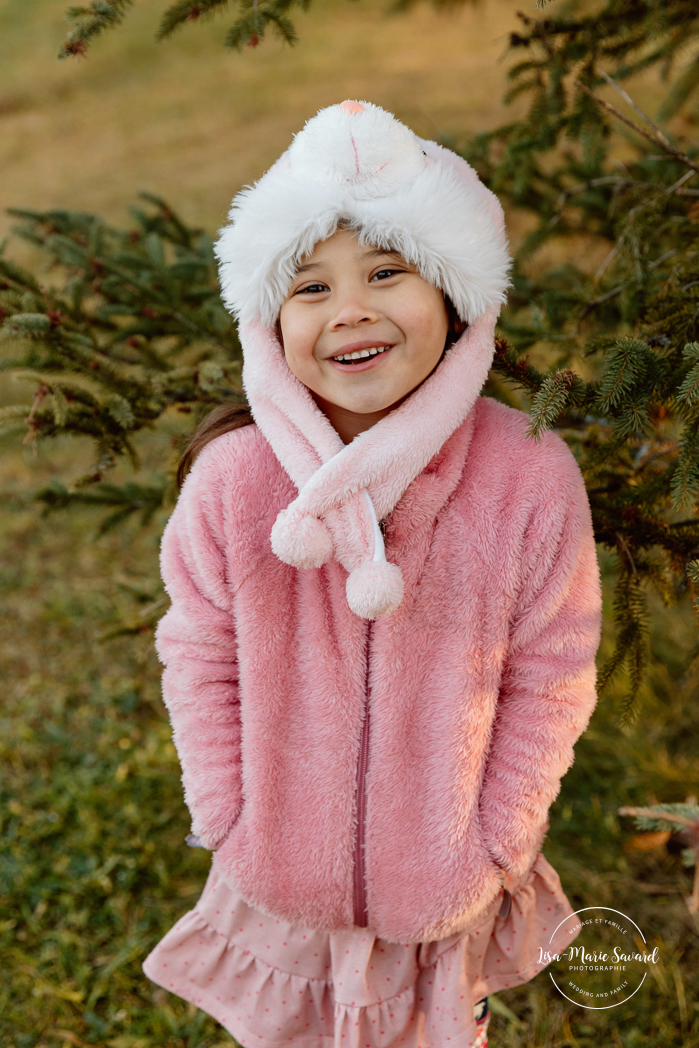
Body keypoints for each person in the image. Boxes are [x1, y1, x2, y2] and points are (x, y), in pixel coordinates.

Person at [142, 100, 602, 1048]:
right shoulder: (235, 482)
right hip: (276, 871)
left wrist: (498, 839)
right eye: (309, 287)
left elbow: (551, 672)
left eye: (385, 272)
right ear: (269, 324)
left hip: (443, 874)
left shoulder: (527, 475)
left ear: (454, 295)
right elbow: (198, 651)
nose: (349, 308)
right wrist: (227, 816)